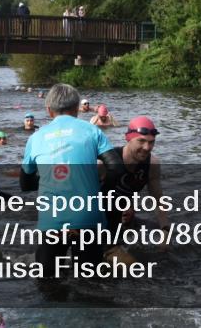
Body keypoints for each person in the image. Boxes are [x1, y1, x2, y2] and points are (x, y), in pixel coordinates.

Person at [19, 84, 124, 280]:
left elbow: (25, 185)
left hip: (52, 220)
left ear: (49, 110)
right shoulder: (92, 131)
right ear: (77, 108)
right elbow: (117, 168)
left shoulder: (35, 137)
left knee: (47, 281)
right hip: (88, 216)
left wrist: (48, 178)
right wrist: (100, 192)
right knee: (90, 282)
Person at [99, 116, 170, 264]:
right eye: (141, 141)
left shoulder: (152, 165)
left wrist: (165, 231)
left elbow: (159, 201)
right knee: (135, 269)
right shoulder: (105, 163)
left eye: (151, 142)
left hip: (119, 224)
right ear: (128, 138)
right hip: (95, 225)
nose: (147, 147)